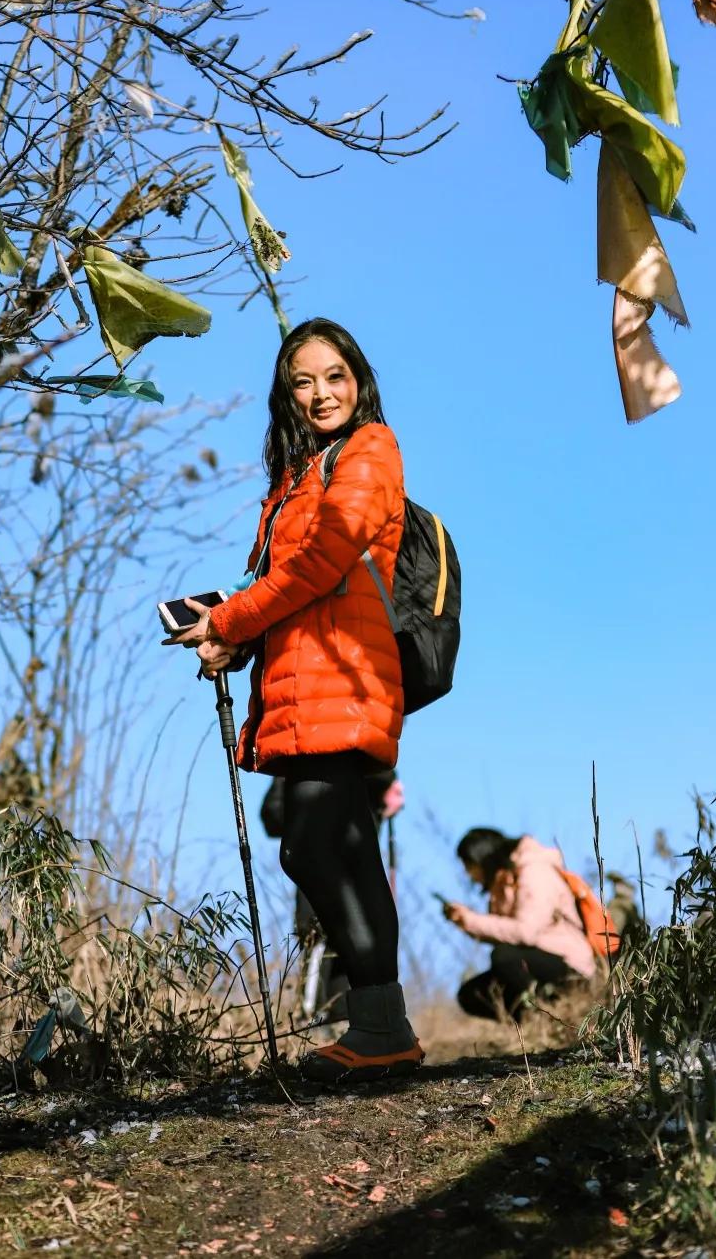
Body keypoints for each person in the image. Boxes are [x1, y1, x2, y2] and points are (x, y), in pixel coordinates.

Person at [169, 317, 422, 1081]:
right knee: (326, 842)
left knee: (319, 839)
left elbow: (323, 563)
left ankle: (381, 1025)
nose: (320, 394)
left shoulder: (371, 449)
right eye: (302, 382)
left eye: (334, 376)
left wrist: (232, 616)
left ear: (359, 378)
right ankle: (381, 1027)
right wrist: (233, 639)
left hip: (346, 678)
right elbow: (290, 587)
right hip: (304, 680)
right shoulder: (295, 478)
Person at [260, 769, 404, 1026]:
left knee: (330, 937)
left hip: (335, 858)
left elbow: (273, 815)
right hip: (337, 857)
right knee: (323, 935)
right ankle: (322, 1017)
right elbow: (273, 815)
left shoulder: (372, 770)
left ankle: (330, 1018)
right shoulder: (371, 765)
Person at [444, 827, 597, 1022]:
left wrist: (472, 919)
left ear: (482, 858)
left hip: (571, 966)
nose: (469, 874)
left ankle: (549, 1016)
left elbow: (525, 932)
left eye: (469, 866)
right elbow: (505, 933)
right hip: (535, 962)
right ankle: (529, 1024)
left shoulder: (535, 872)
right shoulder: (503, 881)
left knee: (503, 956)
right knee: (471, 994)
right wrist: (464, 922)